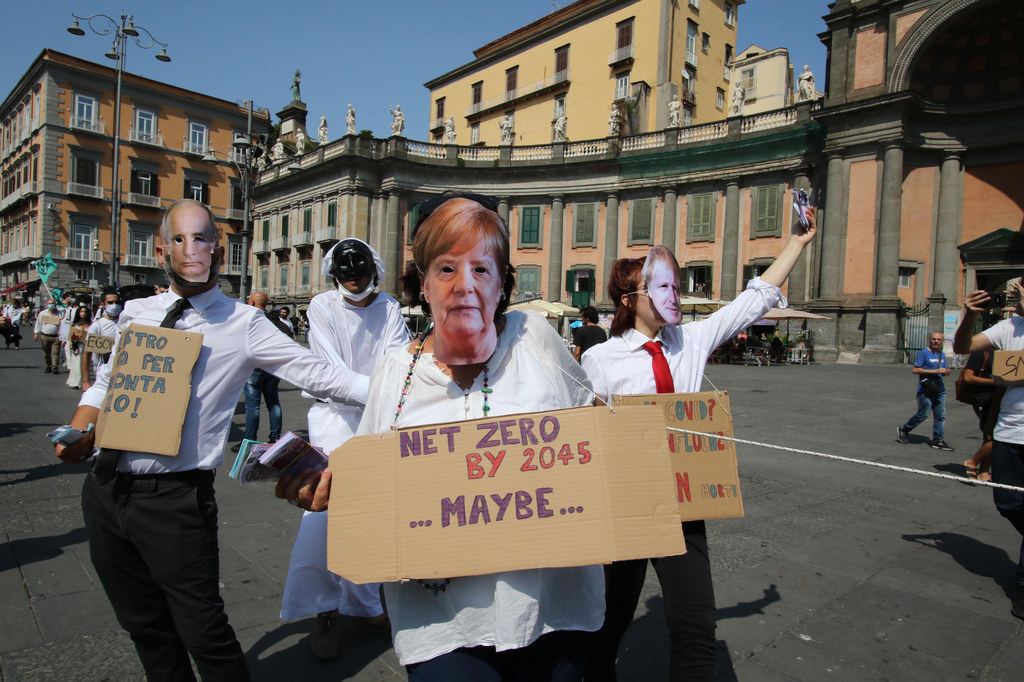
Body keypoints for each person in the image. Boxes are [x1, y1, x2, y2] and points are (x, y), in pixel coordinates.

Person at [275, 195, 601, 680]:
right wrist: (325, 488)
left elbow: (591, 420)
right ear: (422, 284)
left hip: (551, 610)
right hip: (441, 625)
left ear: (503, 284)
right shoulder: (395, 372)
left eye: (482, 270)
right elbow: (368, 477)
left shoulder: (535, 339)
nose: (464, 287)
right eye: (446, 269)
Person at [53, 199, 377, 680]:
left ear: (219, 251)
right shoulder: (136, 313)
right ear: (162, 249)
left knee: (203, 631)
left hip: (175, 499)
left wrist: (409, 391)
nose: (191, 249)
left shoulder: (243, 324)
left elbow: (322, 375)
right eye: (179, 239)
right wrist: (80, 428)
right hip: (104, 487)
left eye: (201, 237)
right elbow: (106, 384)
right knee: (143, 624)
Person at [581, 209, 817, 681]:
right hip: (626, 506)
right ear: (631, 299)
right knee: (607, 625)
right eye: (663, 287)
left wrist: (797, 242)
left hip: (681, 503)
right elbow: (584, 437)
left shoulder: (689, 341)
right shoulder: (599, 360)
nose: (676, 295)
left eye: (675, 285)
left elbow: (753, 301)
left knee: (696, 626)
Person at [280, 238, 409, 660]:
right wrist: (382, 393)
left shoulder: (389, 307)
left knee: (372, 512)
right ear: (335, 277)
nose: (355, 283)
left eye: (361, 275)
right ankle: (326, 608)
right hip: (336, 420)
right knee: (325, 514)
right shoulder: (322, 307)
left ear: (375, 271)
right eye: (347, 277)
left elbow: (396, 357)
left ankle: (365, 602)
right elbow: (328, 370)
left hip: (379, 419)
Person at [954, 283, 1024, 620]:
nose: (1015, 294)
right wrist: (969, 316)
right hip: (1010, 431)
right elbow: (963, 346)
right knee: (1007, 502)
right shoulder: (1009, 327)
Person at [240, 291, 292, 447]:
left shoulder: (249, 319)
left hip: (254, 367)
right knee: (273, 403)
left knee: (252, 406)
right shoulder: (275, 321)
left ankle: (250, 439)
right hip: (272, 368)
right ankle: (275, 437)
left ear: (252, 303)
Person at [896, 332, 954, 450]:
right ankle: (904, 429)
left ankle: (938, 440)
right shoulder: (924, 353)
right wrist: (935, 371)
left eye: (939, 339)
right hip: (925, 389)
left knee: (940, 416)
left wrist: (945, 372)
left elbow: (942, 371)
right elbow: (915, 369)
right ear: (929, 340)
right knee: (923, 414)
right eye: (934, 339)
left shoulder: (942, 355)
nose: (936, 341)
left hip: (939, 389)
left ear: (942, 341)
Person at [961, 349, 997, 482]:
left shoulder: (1008, 351)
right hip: (983, 399)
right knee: (996, 437)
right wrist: (994, 382)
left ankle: (983, 472)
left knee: (989, 436)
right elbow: (968, 377)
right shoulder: (982, 352)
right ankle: (972, 462)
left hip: (998, 400)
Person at [82, 287, 122, 392]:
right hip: (103, 373)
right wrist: (85, 380)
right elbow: (87, 354)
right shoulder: (97, 326)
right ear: (103, 304)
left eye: (117, 302)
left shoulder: (125, 323)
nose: (114, 305)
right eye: (110, 302)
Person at [64, 304, 91, 389]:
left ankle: (84, 381)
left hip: (87, 346)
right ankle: (75, 381)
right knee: (77, 363)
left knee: (86, 364)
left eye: (85, 312)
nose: (83, 313)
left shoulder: (90, 324)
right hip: (78, 346)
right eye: (82, 311)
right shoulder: (75, 324)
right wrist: (72, 346)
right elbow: (71, 336)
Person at [33, 298, 62, 372]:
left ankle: (55, 367)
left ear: (55, 305)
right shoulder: (43, 313)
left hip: (56, 336)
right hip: (45, 336)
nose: (51, 305)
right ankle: (48, 365)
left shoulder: (60, 313)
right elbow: (38, 323)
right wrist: (36, 333)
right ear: (47, 304)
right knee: (46, 353)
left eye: (52, 304)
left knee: (55, 352)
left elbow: (63, 324)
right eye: (49, 304)